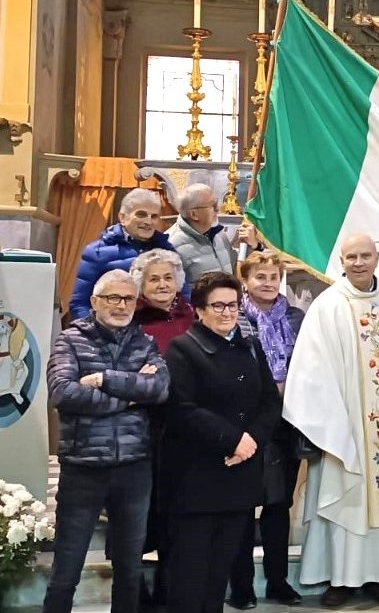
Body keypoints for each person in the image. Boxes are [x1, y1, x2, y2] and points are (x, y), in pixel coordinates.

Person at [282, 233, 379, 607]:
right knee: (345, 501)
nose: (358, 262)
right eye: (351, 256)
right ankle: (340, 580)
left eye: (365, 255)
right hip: (345, 425)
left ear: (377, 257)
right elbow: (309, 371)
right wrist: (332, 426)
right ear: (342, 259)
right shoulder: (328, 306)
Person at [44, 269, 169, 613]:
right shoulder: (70, 340)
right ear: (94, 302)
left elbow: (159, 389)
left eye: (128, 298)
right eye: (113, 297)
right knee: (66, 570)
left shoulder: (144, 342)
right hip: (83, 468)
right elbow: (64, 393)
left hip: (134, 468)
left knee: (130, 569)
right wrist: (130, 395)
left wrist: (103, 379)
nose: (121, 305)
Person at [160, 272, 282, 613]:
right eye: (218, 305)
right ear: (199, 310)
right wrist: (233, 440)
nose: (227, 312)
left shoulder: (250, 346)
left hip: (239, 477)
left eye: (233, 304)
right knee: (190, 575)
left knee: (219, 573)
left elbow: (271, 402)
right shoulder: (183, 349)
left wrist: (252, 441)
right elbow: (183, 409)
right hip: (197, 479)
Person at [227, 251, 306, 609]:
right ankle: (241, 585)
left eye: (274, 277)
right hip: (245, 422)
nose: (269, 283)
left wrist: (294, 385)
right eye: (260, 277)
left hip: (286, 421)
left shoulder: (295, 316)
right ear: (245, 280)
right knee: (242, 505)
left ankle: (278, 581)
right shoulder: (234, 317)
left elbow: (308, 360)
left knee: (278, 504)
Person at [129, 248, 194, 606]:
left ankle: (171, 590)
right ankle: (135, 592)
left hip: (183, 430)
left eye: (168, 277)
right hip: (142, 428)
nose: (162, 284)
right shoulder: (131, 319)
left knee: (176, 514)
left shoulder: (193, 317)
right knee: (139, 515)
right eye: (154, 278)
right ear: (140, 284)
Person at [69, 188, 186, 320]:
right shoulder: (97, 252)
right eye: (141, 215)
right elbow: (79, 304)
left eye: (154, 216)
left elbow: (183, 295)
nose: (148, 221)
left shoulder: (168, 250)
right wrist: (98, 334)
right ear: (123, 218)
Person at [166, 183, 259, 284]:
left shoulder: (218, 234)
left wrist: (252, 246)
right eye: (212, 205)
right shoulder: (171, 245)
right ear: (194, 214)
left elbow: (235, 269)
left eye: (217, 203)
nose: (218, 209)